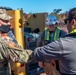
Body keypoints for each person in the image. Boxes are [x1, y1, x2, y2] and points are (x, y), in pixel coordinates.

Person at [31, 7, 76, 75]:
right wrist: (40, 61)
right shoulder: (43, 34)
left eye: (52, 25)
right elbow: (38, 45)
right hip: (47, 62)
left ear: (55, 23)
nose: (51, 26)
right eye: (49, 25)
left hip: (58, 63)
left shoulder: (62, 33)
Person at [0, 9, 32, 75]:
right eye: (6, 21)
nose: (9, 23)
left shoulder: (6, 35)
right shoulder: (3, 42)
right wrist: (39, 53)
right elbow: (21, 55)